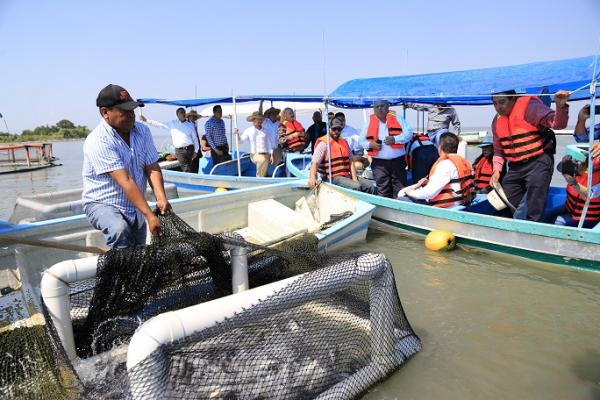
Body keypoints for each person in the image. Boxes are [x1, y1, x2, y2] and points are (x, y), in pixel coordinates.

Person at [82, 84, 171, 249]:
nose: (131, 116)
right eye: (125, 112)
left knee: (138, 250)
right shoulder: (98, 140)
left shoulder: (142, 131)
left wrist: (161, 198)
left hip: (134, 204)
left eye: (132, 111)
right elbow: (125, 180)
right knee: (119, 230)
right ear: (105, 113)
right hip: (103, 203)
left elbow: (152, 166)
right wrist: (150, 216)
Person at [489, 90, 570, 221]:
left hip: (538, 162)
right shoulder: (497, 121)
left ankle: (533, 230)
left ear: (513, 99)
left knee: (535, 205)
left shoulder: (530, 107)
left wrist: (560, 106)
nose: (499, 107)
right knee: (504, 202)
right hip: (515, 167)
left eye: (502, 102)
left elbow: (558, 124)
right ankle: (506, 231)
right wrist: (496, 170)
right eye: (495, 103)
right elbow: (498, 150)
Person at [401, 133, 474, 208]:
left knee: (401, 199)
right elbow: (453, 183)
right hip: (462, 201)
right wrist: (429, 182)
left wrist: (411, 192)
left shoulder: (445, 164)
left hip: (448, 206)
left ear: (440, 148)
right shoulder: (464, 162)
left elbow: (429, 193)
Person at [360, 100, 413, 198]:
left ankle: (399, 210)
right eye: (377, 107)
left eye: (382, 106)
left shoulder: (397, 118)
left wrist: (395, 139)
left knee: (400, 189)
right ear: (374, 109)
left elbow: (409, 133)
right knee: (383, 190)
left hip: (398, 162)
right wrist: (371, 144)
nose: (379, 108)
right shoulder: (368, 122)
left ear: (388, 107)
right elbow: (361, 141)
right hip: (379, 164)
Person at [308, 118, 375, 194]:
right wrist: (312, 177)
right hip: (332, 178)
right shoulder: (323, 144)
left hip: (346, 176)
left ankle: (370, 203)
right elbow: (315, 163)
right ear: (329, 128)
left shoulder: (344, 142)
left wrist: (354, 178)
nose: (336, 131)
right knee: (356, 186)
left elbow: (351, 162)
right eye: (334, 129)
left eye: (339, 129)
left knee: (370, 186)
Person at [139, 107, 199, 173]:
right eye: (181, 113)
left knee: (190, 167)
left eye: (183, 112)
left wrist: (196, 150)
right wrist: (146, 120)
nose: (183, 114)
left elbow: (195, 138)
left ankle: (190, 180)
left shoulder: (190, 124)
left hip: (190, 149)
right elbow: (159, 124)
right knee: (186, 168)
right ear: (177, 115)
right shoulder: (172, 123)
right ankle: (189, 181)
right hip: (180, 151)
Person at [555, 155, 600, 228]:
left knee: (559, 221)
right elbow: (559, 168)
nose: (581, 164)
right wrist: (565, 165)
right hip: (570, 209)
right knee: (547, 214)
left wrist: (574, 183)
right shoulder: (582, 169)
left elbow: (589, 194)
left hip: (588, 218)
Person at [234, 111, 274, 177]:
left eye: (260, 119)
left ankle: (266, 176)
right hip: (255, 154)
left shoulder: (266, 130)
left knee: (267, 160)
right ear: (253, 120)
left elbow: (269, 144)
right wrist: (237, 134)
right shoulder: (248, 130)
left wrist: (272, 154)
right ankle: (259, 179)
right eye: (257, 119)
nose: (259, 121)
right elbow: (240, 141)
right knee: (262, 159)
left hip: (266, 154)